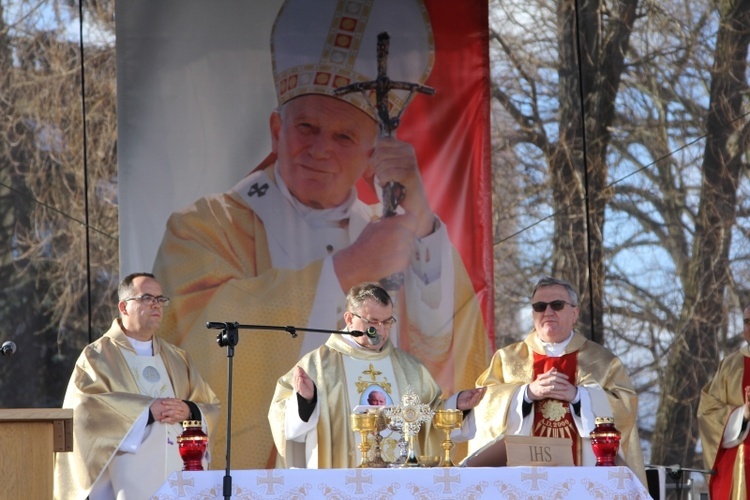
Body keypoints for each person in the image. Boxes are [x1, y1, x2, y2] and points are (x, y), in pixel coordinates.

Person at [152, 0, 490, 469]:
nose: (319, 150)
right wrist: (349, 268)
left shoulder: (388, 232)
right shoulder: (205, 227)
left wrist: (422, 226)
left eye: (344, 137)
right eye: (306, 127)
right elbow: (200, 348)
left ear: (371, 154)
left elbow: (447, 359)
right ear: (276, 130)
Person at [268, 282, 486, 468]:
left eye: (387, 321)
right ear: (349, 318)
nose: (380, 330)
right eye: (372, 322)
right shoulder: (318, 365)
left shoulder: (410, 368)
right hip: (341, 482)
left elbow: (426, 418)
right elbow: (282, 417)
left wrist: (456, 406)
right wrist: (306, 402)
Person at [53, 273, 221, 500]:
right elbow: (84, 410)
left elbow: (210, 405)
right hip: (128, 472)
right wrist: (146, 412)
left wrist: (189, 410)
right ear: (123, 307)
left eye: (160, 299)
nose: (156, 305)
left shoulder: (178, 358)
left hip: (178, 467)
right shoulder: (97, 356)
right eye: (147, 298)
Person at [468, 276, 647, 486]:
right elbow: (482, 405)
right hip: (521, 481)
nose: (548, 312)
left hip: (585, 481)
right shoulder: (507, 359)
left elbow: (626, 407)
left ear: (574, 313)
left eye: (557, 305)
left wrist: (579, 397)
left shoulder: (603, 361)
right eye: (540, 306)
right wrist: (525, 394)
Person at [697, 305, 750, 499]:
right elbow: (707, 412)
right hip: (739, 466)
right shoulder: (730, 366)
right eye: (747, 322)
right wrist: (742, 415)